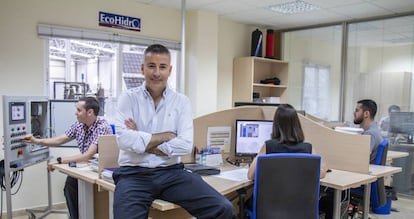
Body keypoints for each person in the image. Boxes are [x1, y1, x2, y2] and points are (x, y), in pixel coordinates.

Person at [112, 44, 233, 219]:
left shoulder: (181, 102)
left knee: (223, 208)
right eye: (151, 66)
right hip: (134, 175)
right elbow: (124, 140)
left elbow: (185, 144)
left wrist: (141, 141)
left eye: (162, 67)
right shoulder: (128, 99)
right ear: (142, 69)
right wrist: (166, 136)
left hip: (172, 173)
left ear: (170, 70)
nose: (156, 73)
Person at [23, 96, 113, 219]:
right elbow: (60, 140)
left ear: (90, 112)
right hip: (86, 168)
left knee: (94, 201)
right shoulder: (79, 125)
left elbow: (87, 156)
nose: (75, 113)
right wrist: (36, 141)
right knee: (70, 189)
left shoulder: (102, 127)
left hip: (101, 171)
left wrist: (59, 160)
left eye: (79, 110)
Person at [247, 104, 327, 181]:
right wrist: (323, 167)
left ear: (276, 125)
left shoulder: (269, 146)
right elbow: (321, 174)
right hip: (300, 194)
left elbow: (251, 175)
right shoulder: (308, 148)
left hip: (272, 195)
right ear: (297, 125)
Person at [353, 99, 383, 163]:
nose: (354, 113)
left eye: (357, 111)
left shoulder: (370, 134)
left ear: (366, 114)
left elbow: (361, 158)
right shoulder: (374, 129)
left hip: (365, 170)